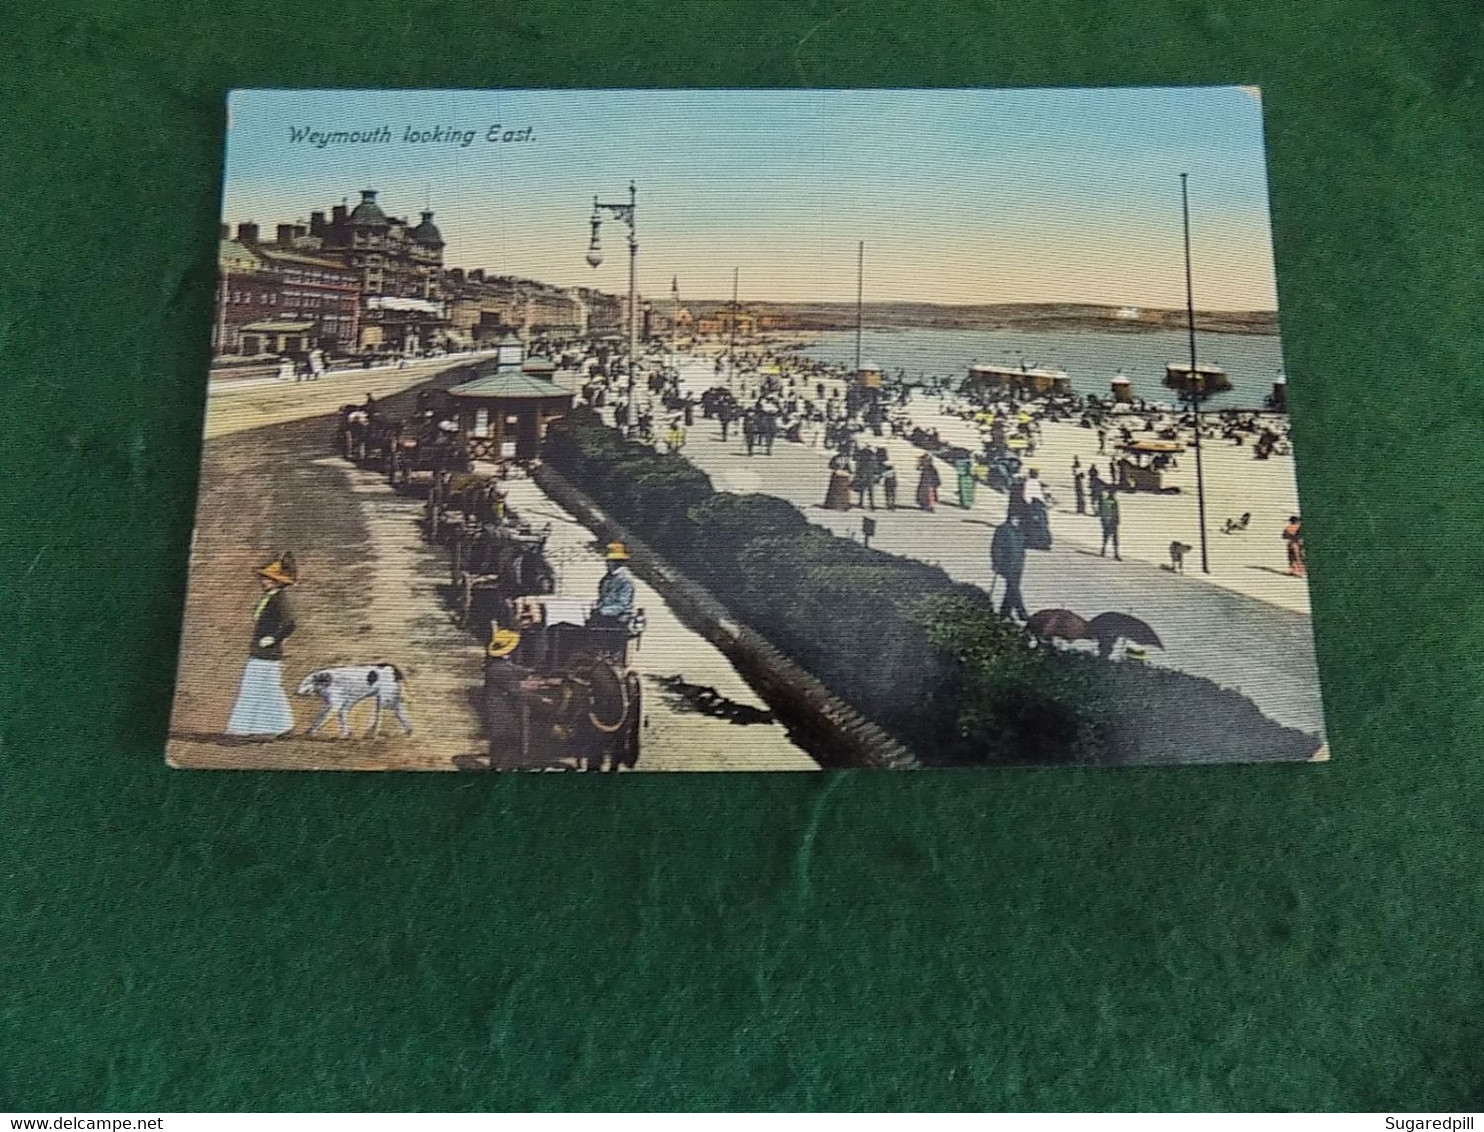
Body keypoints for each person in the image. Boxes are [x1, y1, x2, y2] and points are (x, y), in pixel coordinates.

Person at [226, 552, 298, 737]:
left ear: (277, 582)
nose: (263, 581)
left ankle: (244, 728)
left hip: (268, 652)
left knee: (258, 686)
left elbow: (290, 624)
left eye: (268, 579)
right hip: (262, 651)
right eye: (264, 578)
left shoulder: (280, 600)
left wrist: (274, 638)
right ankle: (280, 725)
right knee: (267, 687)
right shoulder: (270, 598)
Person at [990, 515, 1029, 622]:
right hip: (1007, 565)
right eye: (1015, 518)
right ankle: (1022, 612)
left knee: (1011, 589)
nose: (1017, 520)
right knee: (1014, 589)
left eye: (1019, 518)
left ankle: (1004, 612)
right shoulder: (1003, 529)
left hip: (1019, 564)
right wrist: (997, 562)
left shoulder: (1020, 530)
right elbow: (996, 547)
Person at [591, 542, 636, 629]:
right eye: (607, 561)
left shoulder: (625, 582)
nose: (607, 563)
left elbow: (622, 605)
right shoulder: (606, 579)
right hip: (603, 617)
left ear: (618, 563)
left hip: (618, 620)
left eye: (610, 561)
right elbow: (603, 598)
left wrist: (601, 611)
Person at [1098, 490, 1121, 560]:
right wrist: (1118, 521)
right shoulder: (1114, 502)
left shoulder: (1104, 501)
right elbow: (1116, 513)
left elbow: (1101, 513)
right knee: (1114, 538)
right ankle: (1116, 553)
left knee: (1106, 537)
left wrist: (1103, 522)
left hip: (1106, 522)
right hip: (1112, 522)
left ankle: (1103, 550)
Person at [853, 446, 879, 510]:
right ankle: (871, 504)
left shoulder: (862, 460)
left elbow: (858, 468)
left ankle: (862, 503)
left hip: (865, 476)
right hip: (869, 476)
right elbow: (876, 469)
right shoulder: (873, 460)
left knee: (863, 490)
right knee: (869, 491)